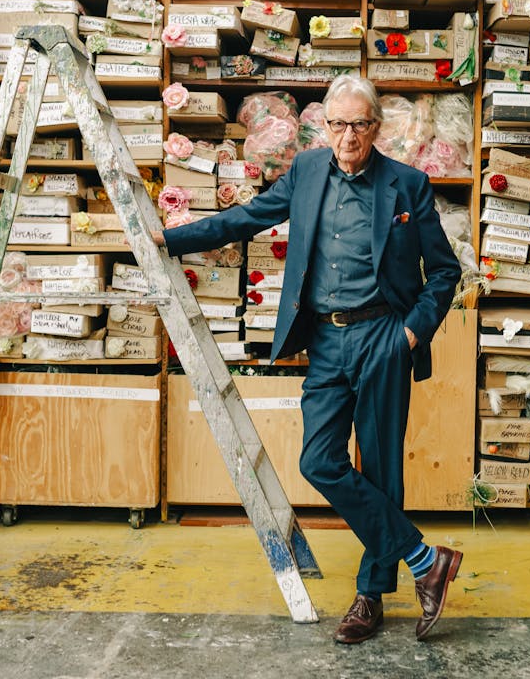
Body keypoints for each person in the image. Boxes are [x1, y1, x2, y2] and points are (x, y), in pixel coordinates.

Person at [163, 76, 464, 643]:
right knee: (319, 461)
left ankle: (370, 598)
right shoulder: (304, 173)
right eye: (338, 124)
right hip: (326, 341)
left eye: (360, 124)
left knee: (381, 469)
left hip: (383, 336)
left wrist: (409, 336)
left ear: (377, 127)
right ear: (324, 126)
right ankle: (425, 560)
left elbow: (444, 272)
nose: (348, 136)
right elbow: (246, 218)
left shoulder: (408, 185)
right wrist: (171, 239)